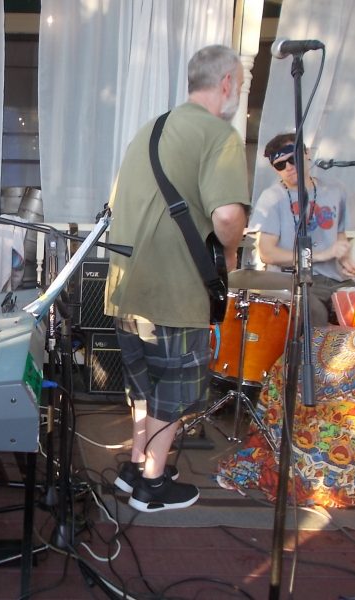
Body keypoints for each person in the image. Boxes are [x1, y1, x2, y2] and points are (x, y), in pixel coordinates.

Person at [104, 45, 251, 512]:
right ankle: (152, 485)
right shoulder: (219, 134)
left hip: (124, 289)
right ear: (226, 83)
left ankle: (135, 467)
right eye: (242, 83)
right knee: (171, 392)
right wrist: (230, 252)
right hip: (173, 290)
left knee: (143, 390)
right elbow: (227, 215)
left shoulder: (150, 129)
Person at [250, 132, 355, 325]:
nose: (288, 167)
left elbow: (339, 235)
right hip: (292, 282)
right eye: (280, 165)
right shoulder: (272, 198)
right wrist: (321, 255)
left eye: (293, 159)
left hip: (334, 280)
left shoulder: (335, 190)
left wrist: (345, 258)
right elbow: (267, 253)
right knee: (313, 312)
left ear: (306, 153)